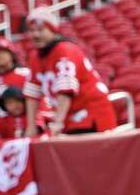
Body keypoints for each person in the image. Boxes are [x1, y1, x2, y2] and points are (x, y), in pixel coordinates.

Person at [22, 7, 115, 135]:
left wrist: (58, 122)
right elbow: (32, 94)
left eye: (40, 30)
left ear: (52, 30)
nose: (35, 35)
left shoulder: (65, 50)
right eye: (32, 31)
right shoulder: (35, 57)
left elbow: (66, 90)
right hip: (69, 115)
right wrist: (31, 126)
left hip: (89, 111)